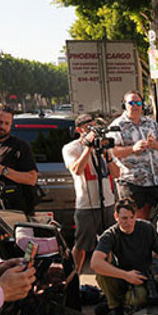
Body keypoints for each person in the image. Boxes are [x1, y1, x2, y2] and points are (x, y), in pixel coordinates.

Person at [91, 197, 158, 315]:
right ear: (116, 216)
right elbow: (95, 263)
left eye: (132, 217)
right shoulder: (110, 234)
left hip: (141, 276)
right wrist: (126, 275)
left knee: (141, 298)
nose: (129, 222)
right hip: (120, 275)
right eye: (124, 218)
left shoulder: (146, 228)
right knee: (101, 274)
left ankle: (113, 303)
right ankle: (115, 308)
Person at [62, 113, 121, 275]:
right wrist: (88, 147)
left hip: (107, 202)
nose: (94, 131)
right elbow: (77, 169)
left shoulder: (104, 146)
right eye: (90, 127)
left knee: (108, 243)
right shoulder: (71, 148)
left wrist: (108, 157)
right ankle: (74, 278)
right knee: (81, 245)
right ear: (80, 129)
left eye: (96, 127)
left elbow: (117, 174)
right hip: (86, 204)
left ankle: (109, 278)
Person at [108, 91, 158, 220]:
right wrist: (132, 149)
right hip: (131, 181)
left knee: (151, 218)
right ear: (124, 105)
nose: (135, 106)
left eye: (138, 103)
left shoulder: (151, 123)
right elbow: (110, 151)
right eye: (131, 103)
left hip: (153, 179)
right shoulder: (117, 126)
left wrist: (154, 144)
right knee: (134, 218)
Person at [0, 103, 38, 214]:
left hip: (16, 212)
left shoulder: (19, 146)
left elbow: (32, 179)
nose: (3, 127)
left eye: (7, 123)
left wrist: (2, 170)